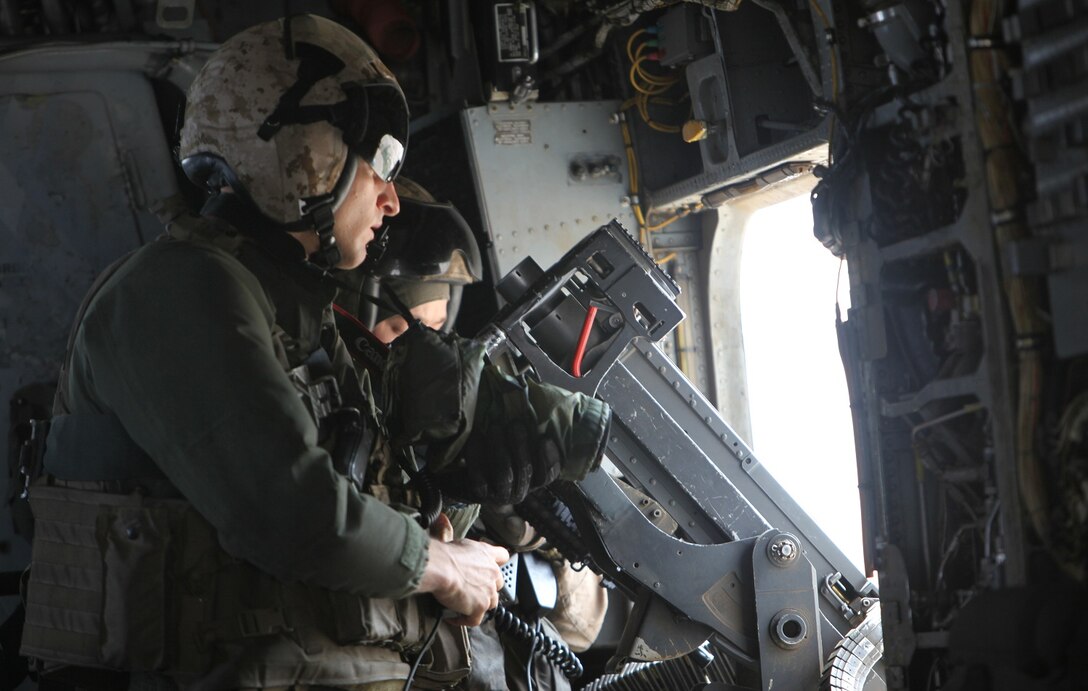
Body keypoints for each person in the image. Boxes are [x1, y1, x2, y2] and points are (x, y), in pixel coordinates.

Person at [18, 15, 512, 690]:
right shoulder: (177, 288)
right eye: (381, 166)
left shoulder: (285, 312)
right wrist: (440, 564)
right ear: (308, 158)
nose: (391, 199)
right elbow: (293, 511)